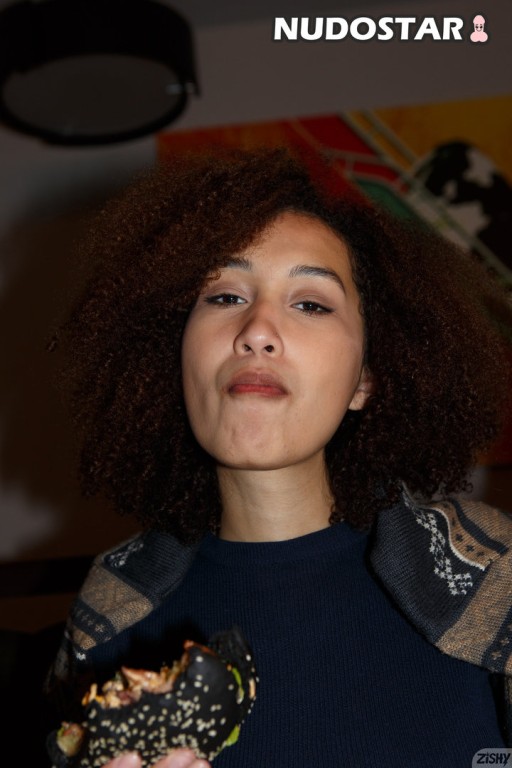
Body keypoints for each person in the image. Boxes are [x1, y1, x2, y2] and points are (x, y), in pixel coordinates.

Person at [46, 148, 512, 768]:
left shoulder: (497, 577)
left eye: (310, 304)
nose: (257, 331)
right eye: (223, 296)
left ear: (365, 379)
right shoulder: (110, 616)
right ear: (173, 356)